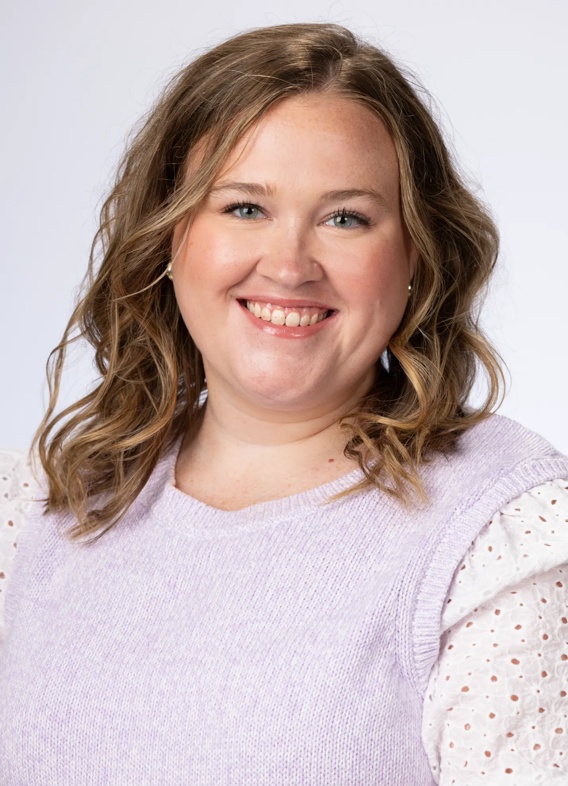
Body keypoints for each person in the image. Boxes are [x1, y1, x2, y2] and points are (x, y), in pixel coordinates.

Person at [1, 22, 567, 785]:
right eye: (243, 208)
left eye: (346, 218)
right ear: (170, 240)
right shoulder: (38, 503)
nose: (290, 265)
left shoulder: (504, 534)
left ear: (416, 258)